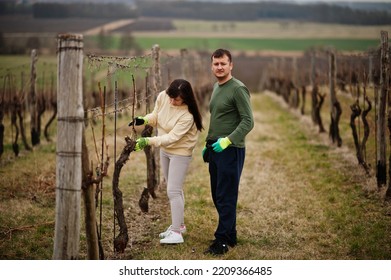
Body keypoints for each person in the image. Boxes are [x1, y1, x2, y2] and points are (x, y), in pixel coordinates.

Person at [130, 79, 203, 244]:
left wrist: (147, 141)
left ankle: (176, 233)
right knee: (174, 188)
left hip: (180, 152)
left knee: (173, 191)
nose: (172, 101)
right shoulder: (163, 96)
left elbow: (171, 138)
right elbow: (157, 116)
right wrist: (144, 120)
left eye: (176, 99)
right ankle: (180, 225)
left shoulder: (188, 115)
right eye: (171, 97)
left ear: (185, 98)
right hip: (165, 151)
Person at [202, 49, 254, 255]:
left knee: (226, 195)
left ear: (231, 65)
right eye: (216, 64)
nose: (219, 67)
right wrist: (209, 144)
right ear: (212, 66)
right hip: (216, 148)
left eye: (223, 63)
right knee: (217, 193)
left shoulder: (238, 89)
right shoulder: (216, 87)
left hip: (230, 149)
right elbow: (217, 118)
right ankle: (230, 234)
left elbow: (248, 121)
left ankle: (222, 240)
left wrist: (228, 140)